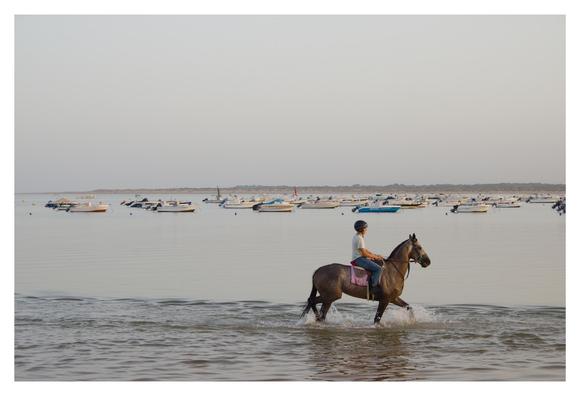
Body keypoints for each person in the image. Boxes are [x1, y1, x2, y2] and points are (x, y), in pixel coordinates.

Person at [352, 220, 384, 296]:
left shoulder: (357, 236)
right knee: (378, 269)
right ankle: (373, 288)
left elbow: (365, 250)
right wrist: (375, 257)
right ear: (361, 229)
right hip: (359, 259)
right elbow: (364, 253)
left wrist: (375, 255)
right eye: (365, 228)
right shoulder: (359, 239)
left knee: (378, 263)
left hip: (359, 257)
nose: (366, 230)